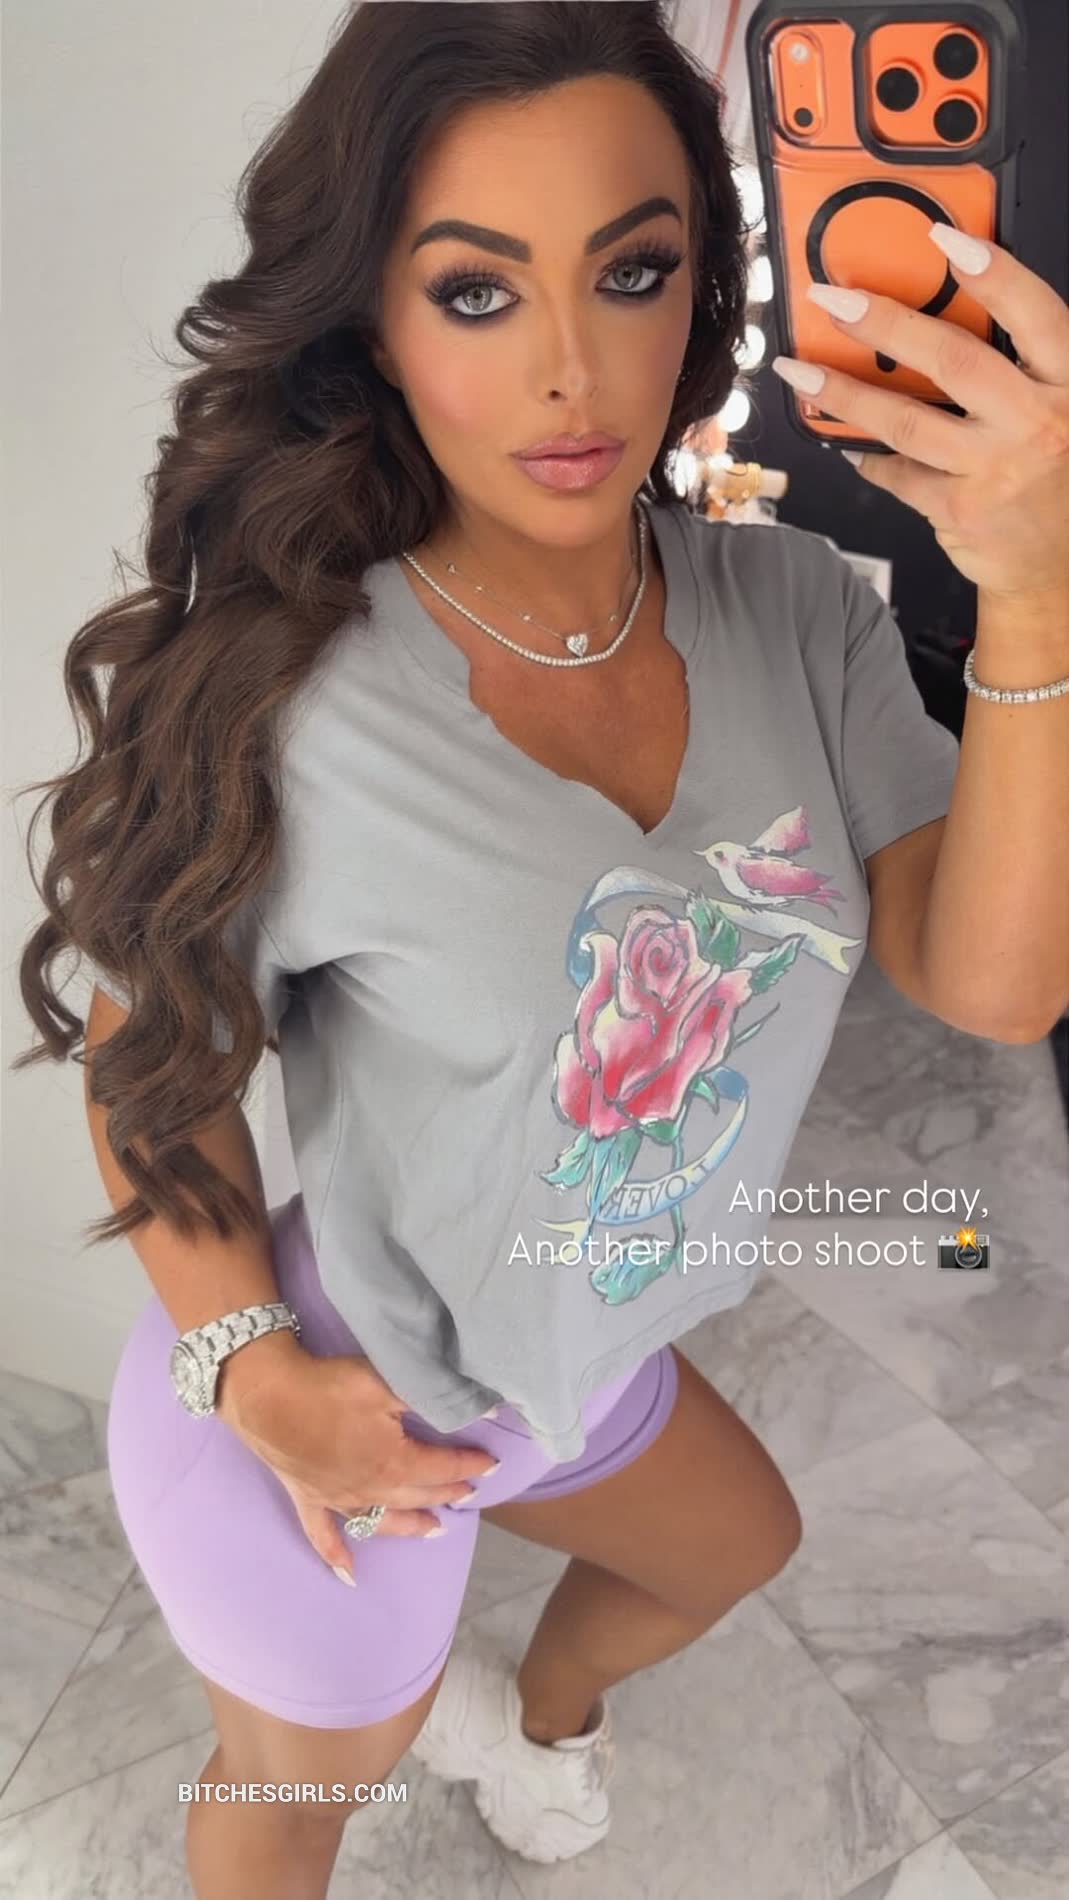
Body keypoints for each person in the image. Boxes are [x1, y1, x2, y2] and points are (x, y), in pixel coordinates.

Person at [17, 5, 985, 1895]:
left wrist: (1037, 585)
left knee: (732, 1550)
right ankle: (403, 1700)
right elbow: (149, 1067)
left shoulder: (791, 607)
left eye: (631, 272)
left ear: (703, 282)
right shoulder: (291, 693)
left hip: (574, 1348)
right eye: (474, 292)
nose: (570, 369)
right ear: (370, 325)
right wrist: (253, 1375)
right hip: (337, 1395)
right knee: (294, 1804)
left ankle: (531, 1724)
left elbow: (994, 982)